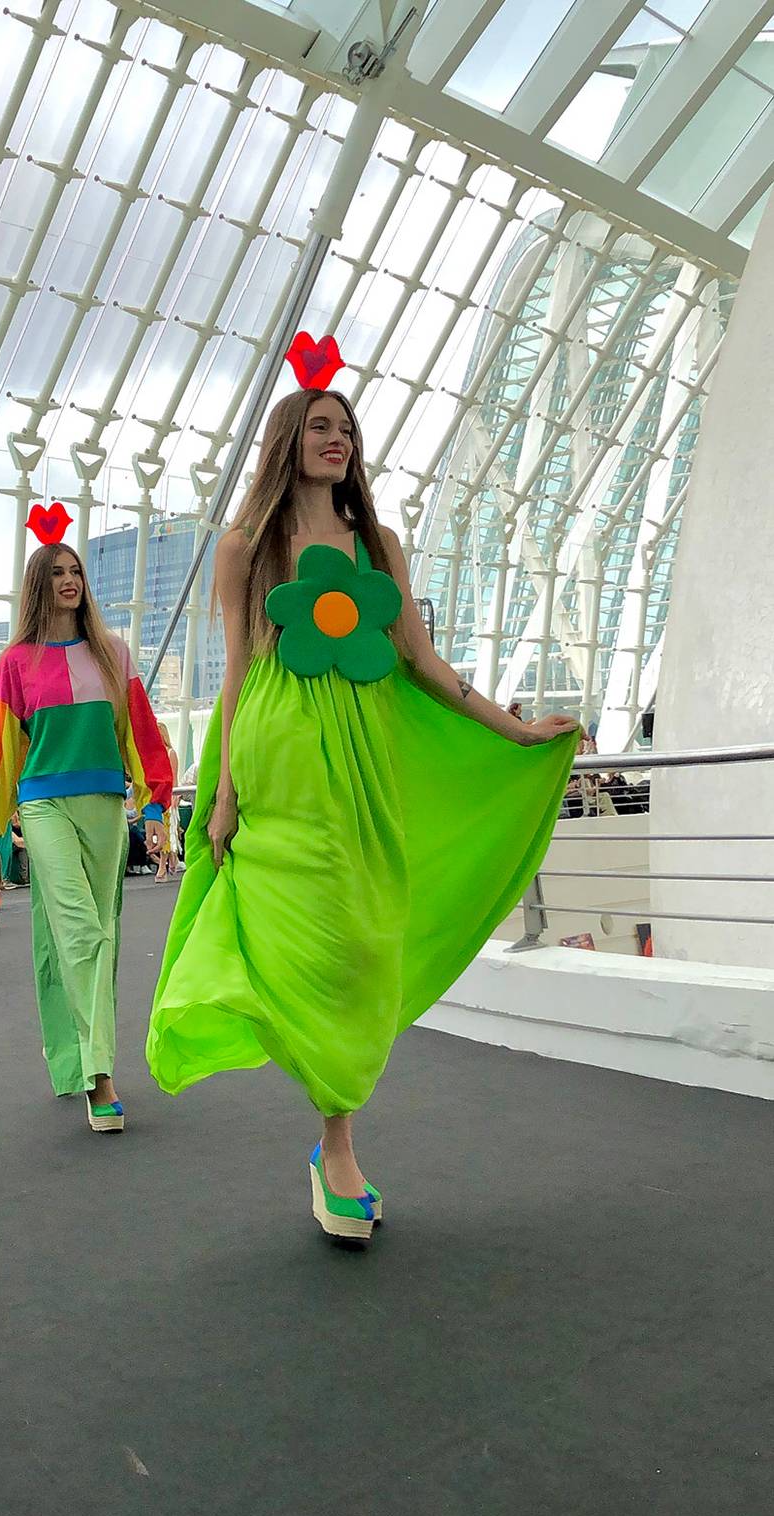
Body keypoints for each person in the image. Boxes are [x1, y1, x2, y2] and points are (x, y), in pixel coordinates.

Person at [146, 387, 579, 1243]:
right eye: (319, 427)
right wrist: (223, 793)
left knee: (362, 939)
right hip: (280, 762)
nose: (336, 440)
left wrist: (517, 729)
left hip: (363, 766)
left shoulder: (379, 547)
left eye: (346, 429)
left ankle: (329, 1128)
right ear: (286, 440)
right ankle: (338, 1142)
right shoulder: (246, 547)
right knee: (302, 928)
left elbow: (419, 659)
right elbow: (234, 674)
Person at [0, 542, 172, 1132]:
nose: (69, 580)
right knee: (81, 928)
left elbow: (141, 731)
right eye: (56, 572)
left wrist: (156, 802)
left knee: (93, 931)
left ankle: (74, 1059)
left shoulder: (113, 654)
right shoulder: (15, 663)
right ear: (39, 584)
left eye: (75, 570)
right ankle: (100, 1074)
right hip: (43, 804)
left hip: (107, 803)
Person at [153, 721, 182, 882]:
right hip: (157, 796)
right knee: (161, 831)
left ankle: (162, 866)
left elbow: (174, 776)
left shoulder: (170, 753)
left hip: (168, 796)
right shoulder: (155, 754)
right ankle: (171, 859)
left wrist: (175, 796)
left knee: (168, 829)